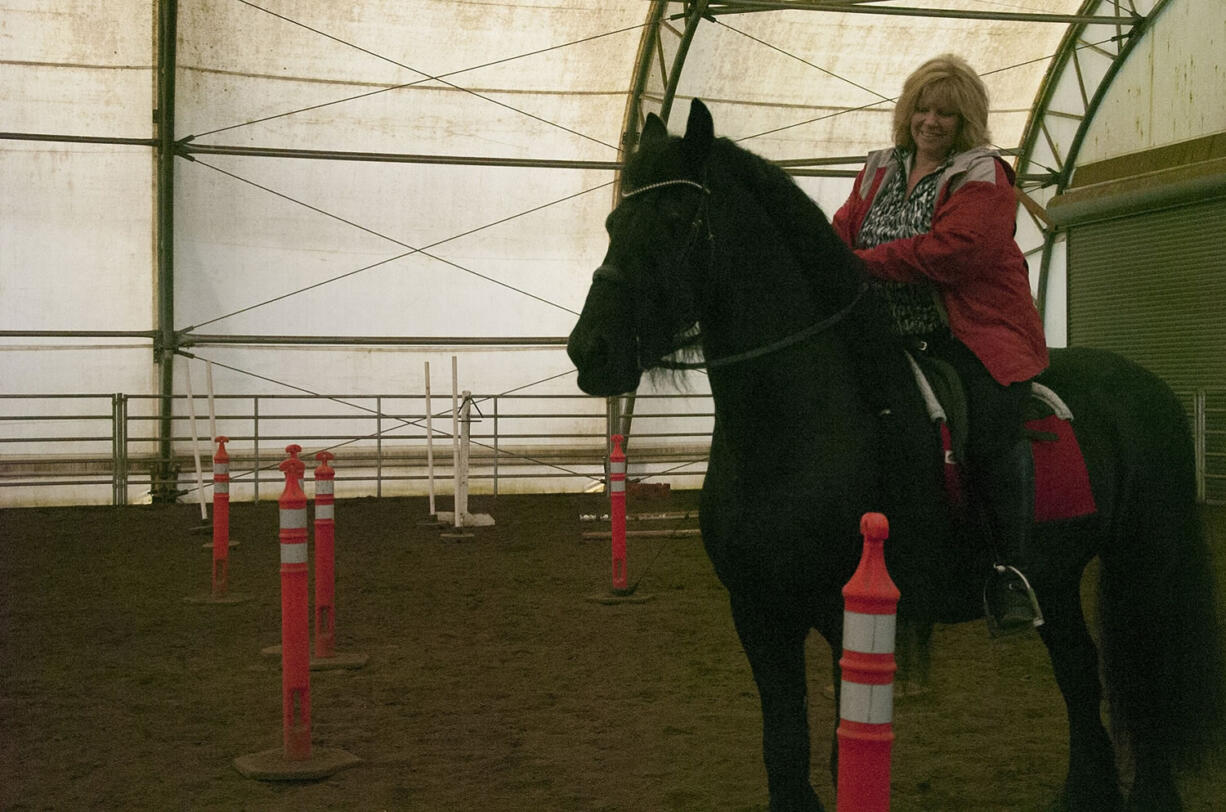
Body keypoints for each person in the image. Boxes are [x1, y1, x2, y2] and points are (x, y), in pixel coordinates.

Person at [831, 54, 1049, 636]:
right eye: (923, 109)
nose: (931, 122)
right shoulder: (878, 170)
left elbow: (954, 251)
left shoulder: (984, 175)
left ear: (965, 122)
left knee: (991, 421)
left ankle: (1009, 569)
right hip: (882, 331)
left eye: (946, 114)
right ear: (908, 114)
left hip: (968, 331)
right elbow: (843, 230)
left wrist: (860, 264)